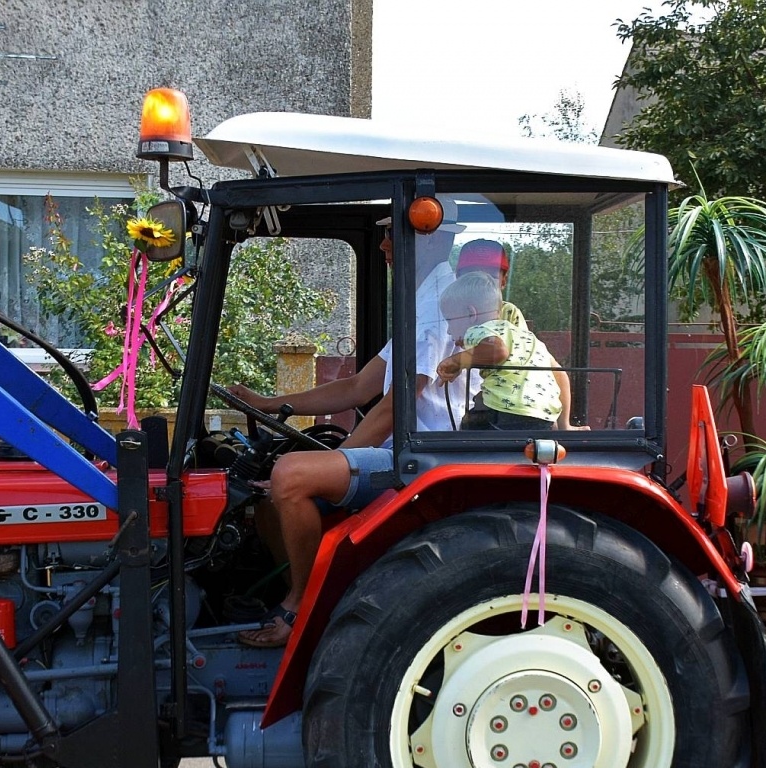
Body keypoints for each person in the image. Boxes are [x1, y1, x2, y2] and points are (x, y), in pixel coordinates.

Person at [226, 213, 463, 648]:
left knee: (290, 476)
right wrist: (268, 403)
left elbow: (394, 409)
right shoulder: (423, 300)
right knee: (269, 492)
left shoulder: (438, 307)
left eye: (392, 233)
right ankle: (298, 595)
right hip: (408, 450)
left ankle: (300, 607)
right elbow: (357, 387)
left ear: (428, 238)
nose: (384, 245)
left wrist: (331, 461)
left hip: (425, 460)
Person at [452, 239, 582, 430]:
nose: (482, 282)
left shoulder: (507, 314)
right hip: (447, 415)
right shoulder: (448, 310)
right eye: (472, 276)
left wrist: (563, 425)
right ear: (457, 278)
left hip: (503, 406)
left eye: (490, 276)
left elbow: (546, 366)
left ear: (504, 280)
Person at [435, 271, 562, 431]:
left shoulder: (479, 329)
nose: (448, 331)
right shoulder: (524, 336)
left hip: (507, 413)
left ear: (470, 314)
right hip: (545, 417)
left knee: (467, 428)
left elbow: (497, 351)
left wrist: (455, 360)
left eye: (450, 321)